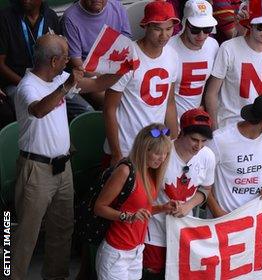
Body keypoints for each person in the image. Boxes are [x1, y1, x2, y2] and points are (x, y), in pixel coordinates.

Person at [11, 34, 120, 280]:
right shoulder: (27, 86)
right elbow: (39, 110)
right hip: (36, 169)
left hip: (63, 167)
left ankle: (56, 276)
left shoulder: (60, 77)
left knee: (62, 228)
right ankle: (11, 276)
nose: (69, 60)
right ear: (53, 61)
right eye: (65, 56)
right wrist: (67, 85)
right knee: (25, 234)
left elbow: (98, 84)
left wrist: (124, 69)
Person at [104, 0, 181, 167]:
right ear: (145, 26)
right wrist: (116, 153)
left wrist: (173, 142)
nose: (164, 36)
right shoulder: (127, 55)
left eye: (169, 29)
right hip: (126, 148)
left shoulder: (172, 56)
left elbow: (169, 103)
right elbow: (110, 108)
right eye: (157, 29)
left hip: (156, 149)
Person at [94, 123, 175, 280]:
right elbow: (99, 207)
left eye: (165, 153)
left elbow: (141, 211)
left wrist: (162, 207)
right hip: (116, 252)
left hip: (136, 251)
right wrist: (127, 217)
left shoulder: (150, 172)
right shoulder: (125, 170)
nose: (162, 158)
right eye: (158, 153)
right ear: (145, 149)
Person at [143, 109, 216, 277]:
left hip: (184, 229)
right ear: (182, 132)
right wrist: (161, 207)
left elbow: (206, 188)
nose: (198, 146)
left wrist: (188, 205)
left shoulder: (208, 156)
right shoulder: (163, 153)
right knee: (152, 271)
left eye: (203, 141)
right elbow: (143, 190)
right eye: (194, 139)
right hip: (154, 226)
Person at [204, 0, 262, 128]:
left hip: (260, 125)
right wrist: (214, 130)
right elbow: (211, 93)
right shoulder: (228, 48)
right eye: (261, 26)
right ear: (250, 25)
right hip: (229, 125)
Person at [205, 93, 262, 216]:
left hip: (257, 217)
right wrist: (217, 212)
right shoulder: (219, 140)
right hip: (223, 219)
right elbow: (201, 178)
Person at [62, 0, 132, 108]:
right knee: (118, 105)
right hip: (90, 73)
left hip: (117, 67)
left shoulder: (117, 6)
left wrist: (118, 73)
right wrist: (106, 78)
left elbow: (126, 43)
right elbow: (77, 63)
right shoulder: (70, 17)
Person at [0, 0, 61, 120]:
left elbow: (59, 56)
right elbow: (0, 64)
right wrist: (26, 83)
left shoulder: (51, 16)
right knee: (39, 113)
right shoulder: (5, 18)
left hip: (48, 81)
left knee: (84, 108)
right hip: (16, 82)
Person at [169, 0, 219, 121]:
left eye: (207, 29)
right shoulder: (168, 48)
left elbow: (211, 86)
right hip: (171, 120)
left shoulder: (213, 45)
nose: (201, 35)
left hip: (197, 120)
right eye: (196, 29)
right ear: (185, 23)